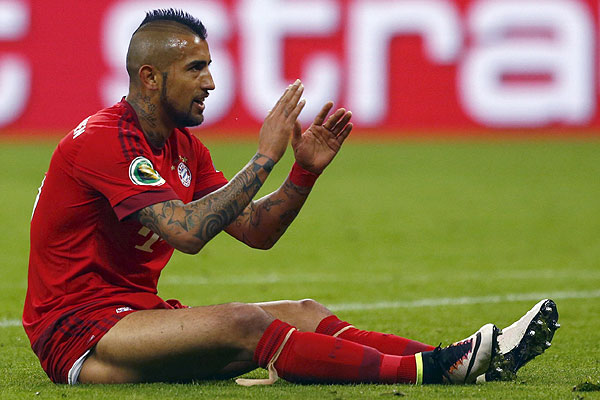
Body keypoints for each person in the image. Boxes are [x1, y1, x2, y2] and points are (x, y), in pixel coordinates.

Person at [23, 9, 559, 386]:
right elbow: (186, 232)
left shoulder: (183, 146)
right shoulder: (105, 140)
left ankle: (463, 358)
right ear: (149, 77)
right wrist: (264, 157)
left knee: (304, 312)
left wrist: (302, 173)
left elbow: (256, 231)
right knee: (246, 322)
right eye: (195, 68)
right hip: (78, 331)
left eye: (209, 66)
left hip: (134, 316)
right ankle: (434, 373)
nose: (211, 82)